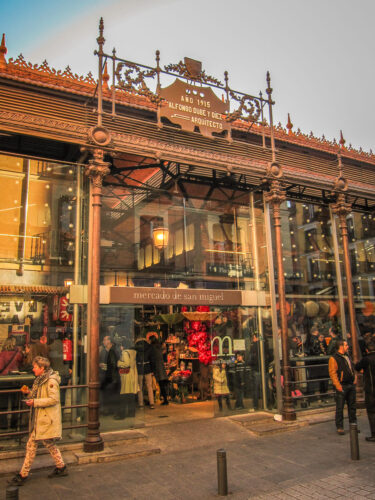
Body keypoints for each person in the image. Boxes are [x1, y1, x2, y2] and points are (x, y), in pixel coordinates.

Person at [7, 356, 67, 486]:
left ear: (42, 368)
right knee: (48, 443)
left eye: (35, 367)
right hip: (42, 418)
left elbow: (54, 399)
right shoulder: (41, 380)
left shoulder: (50, 381)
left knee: (31, 445)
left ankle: (23, 474)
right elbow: (38, 396)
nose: (33, 369)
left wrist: (34, 402)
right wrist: (28, 393)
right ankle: (61, 466)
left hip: (44, 419)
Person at [328, 339, 357, 435]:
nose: (347, 346)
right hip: (342, 385)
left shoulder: (347, 356)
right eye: (346, 345)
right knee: (340, 407)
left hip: (350, 383)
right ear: (341, 346)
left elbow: (351, 367)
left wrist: (355, 377)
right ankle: (340, 426)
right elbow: (333, 373)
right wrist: (338, 385)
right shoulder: (334, 358)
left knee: (352, 406)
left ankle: (353, 424)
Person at [0, 337, 24, 429]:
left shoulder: (2, 354)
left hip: (4, 381)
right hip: (15, 380)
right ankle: (14, 424)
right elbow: (21, 365)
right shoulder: (19, 354)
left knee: (3, 404)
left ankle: (3, 424)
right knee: (15, 403)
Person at [354, 339, 375, 441]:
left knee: (371, 412)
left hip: (371, 389)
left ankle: (374, 434)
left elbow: (357, 366)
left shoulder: (366, 359)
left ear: (367, 350)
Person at [115, 339, 138, 420]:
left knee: (124, 395)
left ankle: (122, 414)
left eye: (121, 345)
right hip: (133, 374)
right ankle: (131, 413)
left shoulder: (125, 352)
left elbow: (126, 364)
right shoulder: (133, 352)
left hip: (126, 375)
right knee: (131, 395)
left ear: (123, 346)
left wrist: (118, 362)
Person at [100, 336, 120, 416]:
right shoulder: (105, 350)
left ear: (109, 342)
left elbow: (113, 364)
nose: (104, 342)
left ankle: (112, 411)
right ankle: (110, 410)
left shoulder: (112, 351)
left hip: (111, 376)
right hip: (110, 375)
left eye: (105, 340)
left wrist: (106, 367)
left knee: (111, 394)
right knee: (109, 393)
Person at [134, 334, 154, 409]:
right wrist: (152, 370)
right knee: (149, 386)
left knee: (140, 387)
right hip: (148, 367)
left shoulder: (135, 347)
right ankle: (152, 403)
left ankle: (141, 404)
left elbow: (134, 359)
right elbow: (152, 359)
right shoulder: (149, 346)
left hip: (139, 368)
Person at [149, 335, 169, 405]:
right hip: (161, 367)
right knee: (162, 384)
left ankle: (165, 400)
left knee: (160, 384)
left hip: (157, 368)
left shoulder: (152, 347)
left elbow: (152, 358)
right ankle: (165, 399)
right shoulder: (158, 346)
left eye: (150, 340)